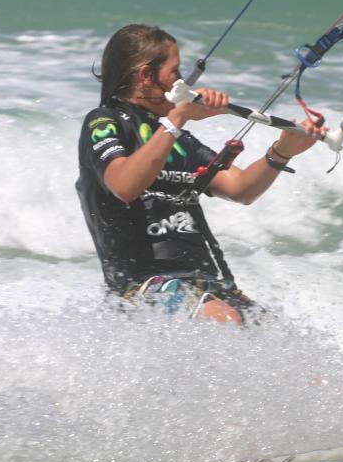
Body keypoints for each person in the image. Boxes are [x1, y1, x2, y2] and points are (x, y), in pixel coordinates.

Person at [76, 24, 325, 325]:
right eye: (174, 71)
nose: (181, 79)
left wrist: (282, 151)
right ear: (145, 76)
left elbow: (240, 188)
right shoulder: (104, 123)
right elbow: (124, 185)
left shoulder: (176, 138)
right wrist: (178, 117)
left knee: (290, 349)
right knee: (225, 321)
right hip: (138, 288)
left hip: (203, 282)